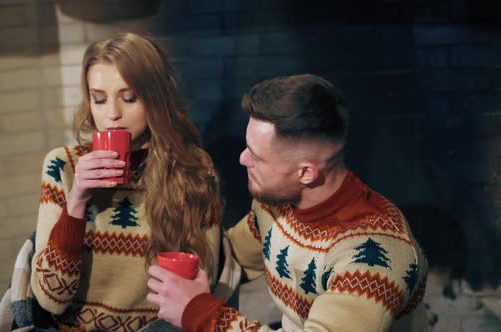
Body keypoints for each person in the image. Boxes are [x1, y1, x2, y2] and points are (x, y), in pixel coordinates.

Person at [146, 74, 429, 331]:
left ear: (306, 172)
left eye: (256, 156)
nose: (242, 159)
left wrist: (201, 313)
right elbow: (231, 255)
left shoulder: (374, 255)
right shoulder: (277, 205)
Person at [30, 33, 230, 331]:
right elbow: (51, 300)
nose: (112, 114)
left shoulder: (194, 168)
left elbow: (202, 284)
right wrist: (77, 201)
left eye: (129, 98)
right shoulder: (64, 166)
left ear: (155, 100)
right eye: (99, 99)